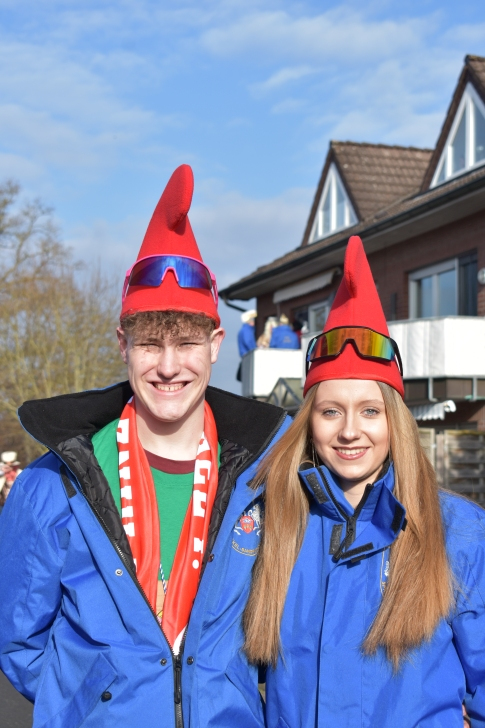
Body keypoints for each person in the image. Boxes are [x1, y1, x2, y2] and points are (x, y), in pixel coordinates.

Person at [0, 165, 291, 728]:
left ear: (215, 345)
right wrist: (100, 701)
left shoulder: (264, 477)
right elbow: (18, 641)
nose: (168, 366)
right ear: (122, 345)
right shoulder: (50, 485)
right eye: (150, 343)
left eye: (187, 344)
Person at [243, 236, 485, 727]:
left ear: (395, 420)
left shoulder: (458, 532)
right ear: (309, 421)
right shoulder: (273, 526)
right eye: (331, 411)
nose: (350, 431)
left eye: (370, 411)